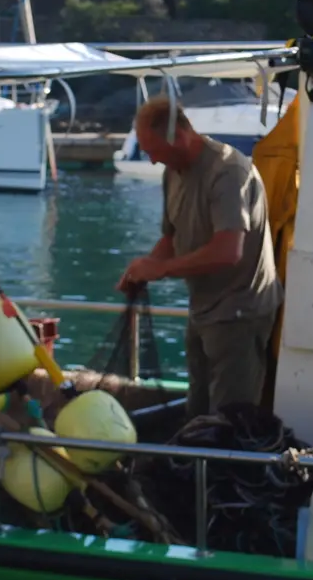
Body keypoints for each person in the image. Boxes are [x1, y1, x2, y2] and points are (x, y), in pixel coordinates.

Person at [118, 95, 281, 416]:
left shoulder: (228, 171)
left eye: (155, 151)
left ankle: (224, 466)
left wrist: (162, 270)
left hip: (240, 312)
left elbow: (228, 250)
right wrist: (142, 269)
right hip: (203, 310)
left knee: (231, 418)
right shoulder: (172, 172)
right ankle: (197, 464)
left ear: (177, 136)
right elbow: (171, 236)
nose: (151, 161)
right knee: (198, 408)